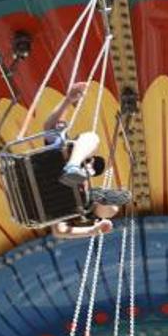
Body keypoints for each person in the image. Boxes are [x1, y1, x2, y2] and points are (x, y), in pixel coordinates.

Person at [41, 82, 131, 240]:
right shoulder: (60, 152)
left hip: (66, 196)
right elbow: (49, 126)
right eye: (90, 160)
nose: (90, 164)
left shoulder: (76, 201)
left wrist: (92, 231)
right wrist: (68, 100)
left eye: (92, 167)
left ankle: (105, 195)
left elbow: (59, 230)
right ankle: (73, 166)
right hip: (58, 170)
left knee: (109, 206)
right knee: (92, 137)